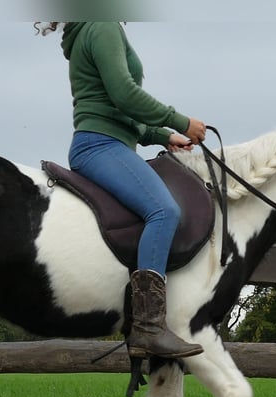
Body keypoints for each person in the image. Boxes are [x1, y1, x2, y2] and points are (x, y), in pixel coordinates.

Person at [36, 21, 205, 359]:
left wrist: (160, 135)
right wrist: (179, 120)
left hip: (110, 142)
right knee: (164, 211)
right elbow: (124, 93)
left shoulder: (92, 26)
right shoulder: (102, 25)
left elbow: (114, 105)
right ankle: (149, 328)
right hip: (101, 145)